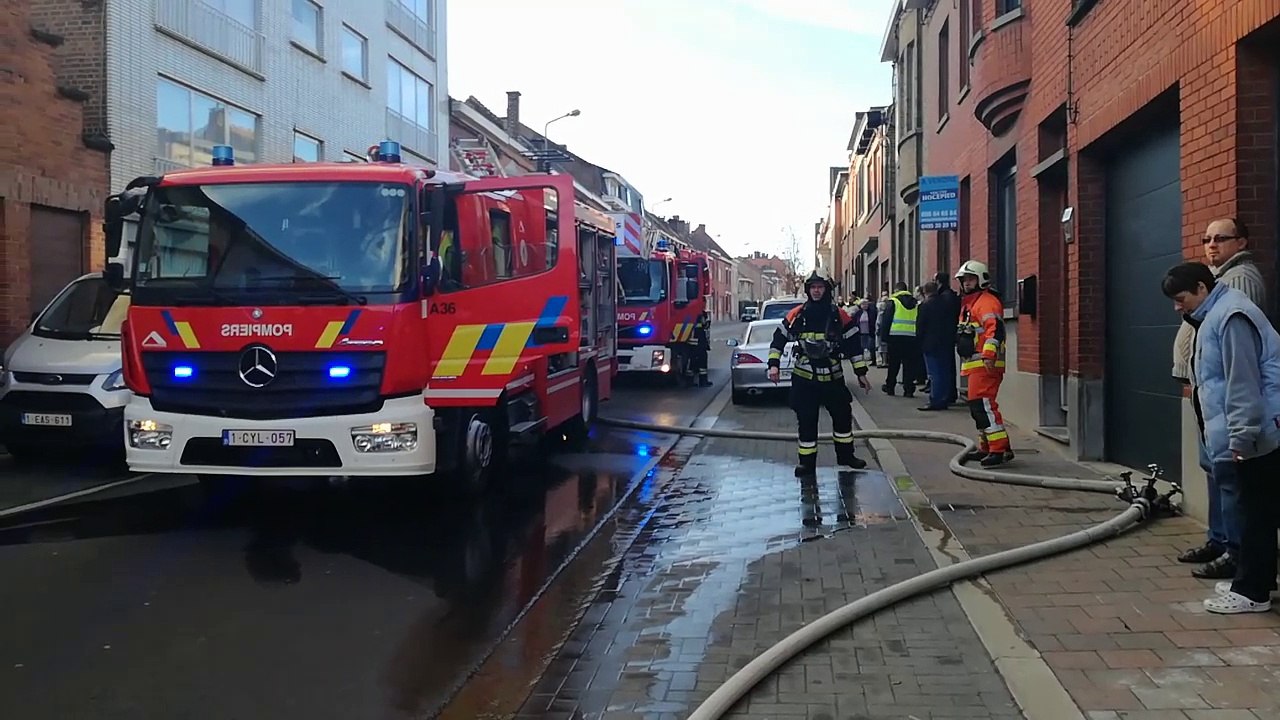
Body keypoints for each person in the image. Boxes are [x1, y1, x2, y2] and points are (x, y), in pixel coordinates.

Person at [1160, 261, 1280, 614]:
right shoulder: (1217, 314)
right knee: (1256, 510)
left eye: (1181, 298)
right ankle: (1255, 579)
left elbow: (1242, 383)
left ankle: (1251, 592)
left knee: (1255, 513)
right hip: (1254, 431)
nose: (1177, 306)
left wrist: (1241, 439)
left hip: (1256, 434)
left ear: (1202, 288)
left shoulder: (1231, 318)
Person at [1171, 218, 1268, 580]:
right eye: (1206, 238)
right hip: (1209, 400)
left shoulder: (1237, 284)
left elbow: (1239, 362)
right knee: (1217, 473)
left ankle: (1237, 554)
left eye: (1220, 239)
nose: (1212, 245)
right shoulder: (1215, 281)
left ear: (1240, 241)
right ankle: (1221, 540)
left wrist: (1240, 429)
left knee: (1232, 480)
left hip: (1227, 406)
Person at [767, 270, 871, 476]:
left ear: (827, 290)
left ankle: (846, 457)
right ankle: (806, 464)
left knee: (842, 418)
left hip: (833, 378)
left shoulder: (838, 315)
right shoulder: (797, 314)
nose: (816, 291)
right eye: (813, 287)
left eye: (820, 287)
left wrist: (861, 373)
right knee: (807, 422)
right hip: (806, 380)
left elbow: (853, 344)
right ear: (808, 290)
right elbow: (778, 340)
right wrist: (773, 365)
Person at [955, 260, 1014, 466]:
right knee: (978, 407)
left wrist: (989, 354)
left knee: (983, 406)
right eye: (964, 280)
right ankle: (989, 447)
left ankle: (997, 450)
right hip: (975, 363)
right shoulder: (970, 303)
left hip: (985, 363)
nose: (967, 283)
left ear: (981, 279)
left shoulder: (987, 301)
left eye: (971, 279)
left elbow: (995, 329)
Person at [878, 282, 922, 397]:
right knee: (909, 365)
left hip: (895, 337)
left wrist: (884, 337)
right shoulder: (915, 303)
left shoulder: (893, 302)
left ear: (897, 290)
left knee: (893, 364)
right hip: (912, 337)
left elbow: (886, 320)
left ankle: (890, 387)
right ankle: (908, 389)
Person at [915, 281, 953, 411]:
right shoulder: (945, 303)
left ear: (925, 292)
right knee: (944, 371)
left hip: (930, 343)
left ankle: (935, 400)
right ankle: (944, 398)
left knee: (934, 373)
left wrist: (919, 341)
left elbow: (920, 327)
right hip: (945, 342)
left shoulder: (925, 306)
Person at [934, 271, 961, 405]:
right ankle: (950, 393)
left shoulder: (944, 297)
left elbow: (942, 318)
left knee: (945, 367)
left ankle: (948, 394)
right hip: (949, 335)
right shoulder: (950, 295)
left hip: (944, 336)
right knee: (949, 366)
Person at [685, 312, 712, 387]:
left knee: (691, 364)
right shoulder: (699, 320)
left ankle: (690, 381)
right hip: (698, 346)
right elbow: (704, 325)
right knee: (702, 362)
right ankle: (703, 381)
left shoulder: (690, 318)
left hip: (692, 345)